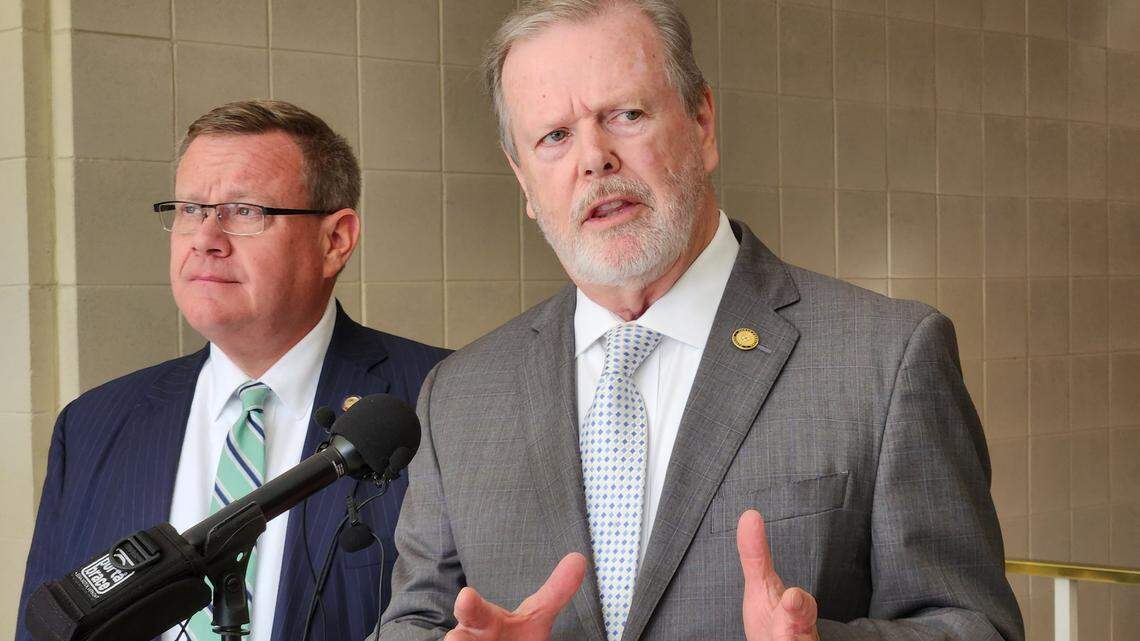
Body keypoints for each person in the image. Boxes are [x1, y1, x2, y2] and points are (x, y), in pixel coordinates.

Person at [376, 2, 1023, 641]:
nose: (594, 158)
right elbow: (413, 621)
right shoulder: (458, 396)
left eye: (625, 115)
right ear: (523, 178)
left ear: (703, 124)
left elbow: (974, 626)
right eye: (554, 137)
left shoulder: (886, 358)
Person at [16, 100, 450, 641]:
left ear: (335, 240)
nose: (204, 238)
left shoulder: (445, 399)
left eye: (244, 211)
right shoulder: (91, 426)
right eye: (190, 209)